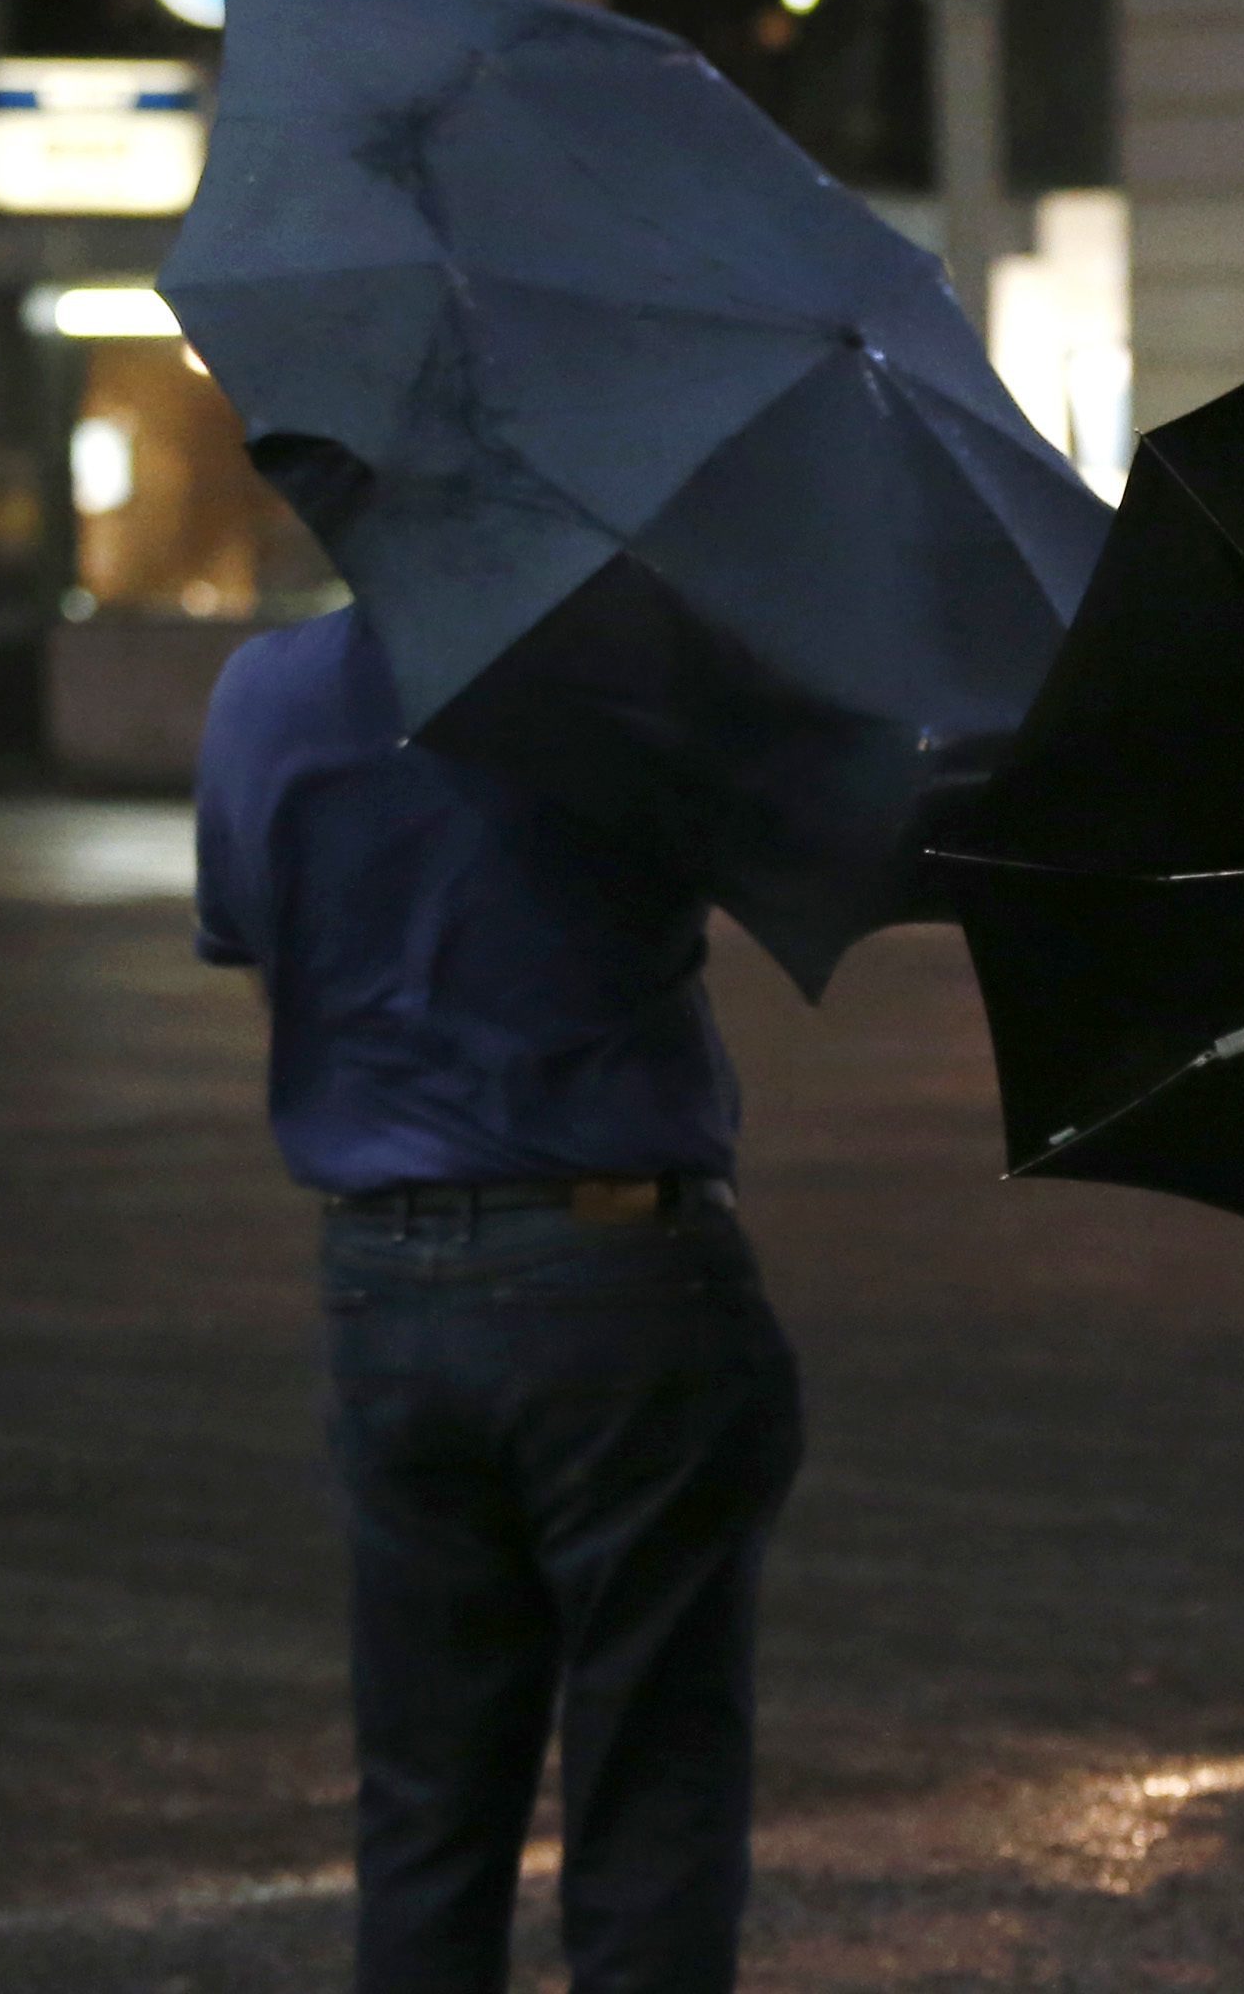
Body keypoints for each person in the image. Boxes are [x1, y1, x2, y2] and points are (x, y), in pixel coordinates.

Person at [195, 592, 801, 1994]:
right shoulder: (633, 682)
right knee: (653, 1781)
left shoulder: (264, 691)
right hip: (619, 1271)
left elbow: (261, 963)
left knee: (424, 1802)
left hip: (384, 1277)